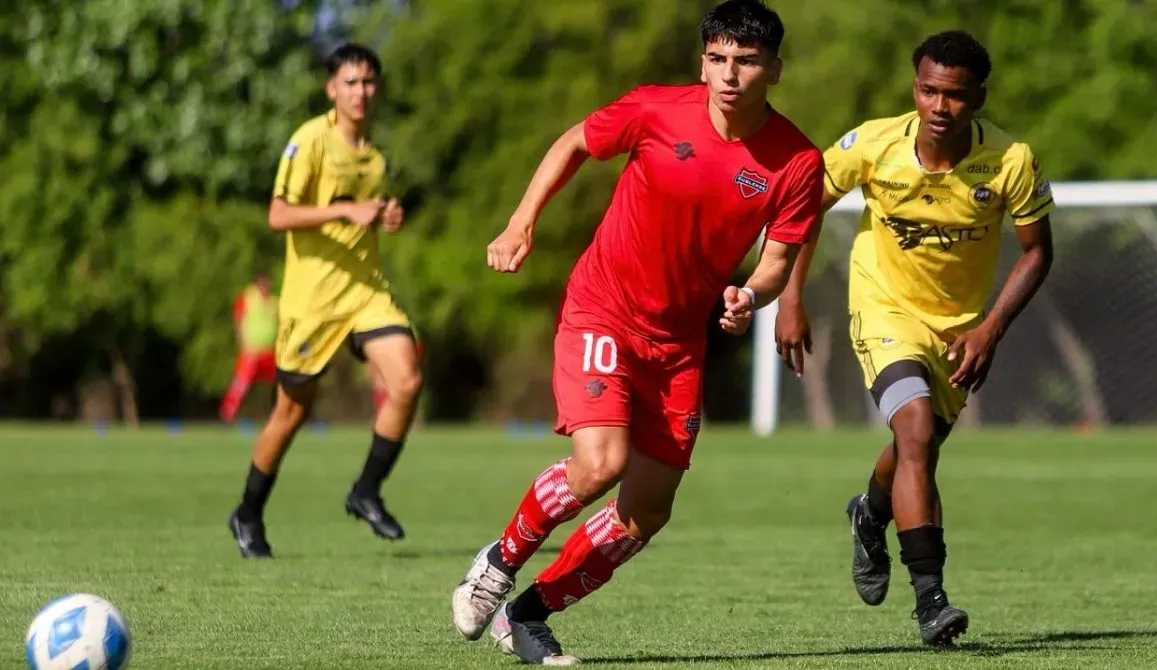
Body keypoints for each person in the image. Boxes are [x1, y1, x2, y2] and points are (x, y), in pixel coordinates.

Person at [450, 1, 823, 664]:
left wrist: (750, 294)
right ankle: (497, 563)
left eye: (745, 61)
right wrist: (521, 222)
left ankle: (529, 612)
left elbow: (776, 259)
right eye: (716, 59)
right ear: (701, 62)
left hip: (678, 346)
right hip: (604, 310)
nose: (728, 75)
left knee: (644, 513)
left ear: (774, 69)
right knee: (601, 464)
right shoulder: (655, 109)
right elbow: (571, 142)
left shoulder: (795, 161)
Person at [775, 30, 1055, 646]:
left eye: (953, 95)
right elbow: (801, 207)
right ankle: (931, 599)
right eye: (927, 90)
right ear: (915, 87)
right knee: (917, 433)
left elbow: (1037, 253)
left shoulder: (1011, 161)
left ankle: (869, 513)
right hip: (883, 309)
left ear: (978, 97)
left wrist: (991, 328)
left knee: (915, 451)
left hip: (960, 328)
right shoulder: (873, 144)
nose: (937, 106)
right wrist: (789, 297)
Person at [227, 43, 423, 559]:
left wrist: (385, 217)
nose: (362, 91)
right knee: (290, 415)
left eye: (369, 81)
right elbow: (278, 214)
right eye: (351, 82)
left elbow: (364, 214)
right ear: (331, 88)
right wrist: (348, 213)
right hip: (312, 302)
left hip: (364, 294)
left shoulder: (376, 157)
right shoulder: (310, 141)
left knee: (407, 379)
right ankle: (248, 513)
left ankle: (365, 491)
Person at [219, 275, 279, 423]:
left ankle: (280, 413)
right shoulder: (248, 297)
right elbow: (238, 318)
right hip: (251, 350)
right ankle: (228, 413)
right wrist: (241, 340)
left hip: (269, 351)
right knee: (242, 382)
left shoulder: (274, 302)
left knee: (280, 383)